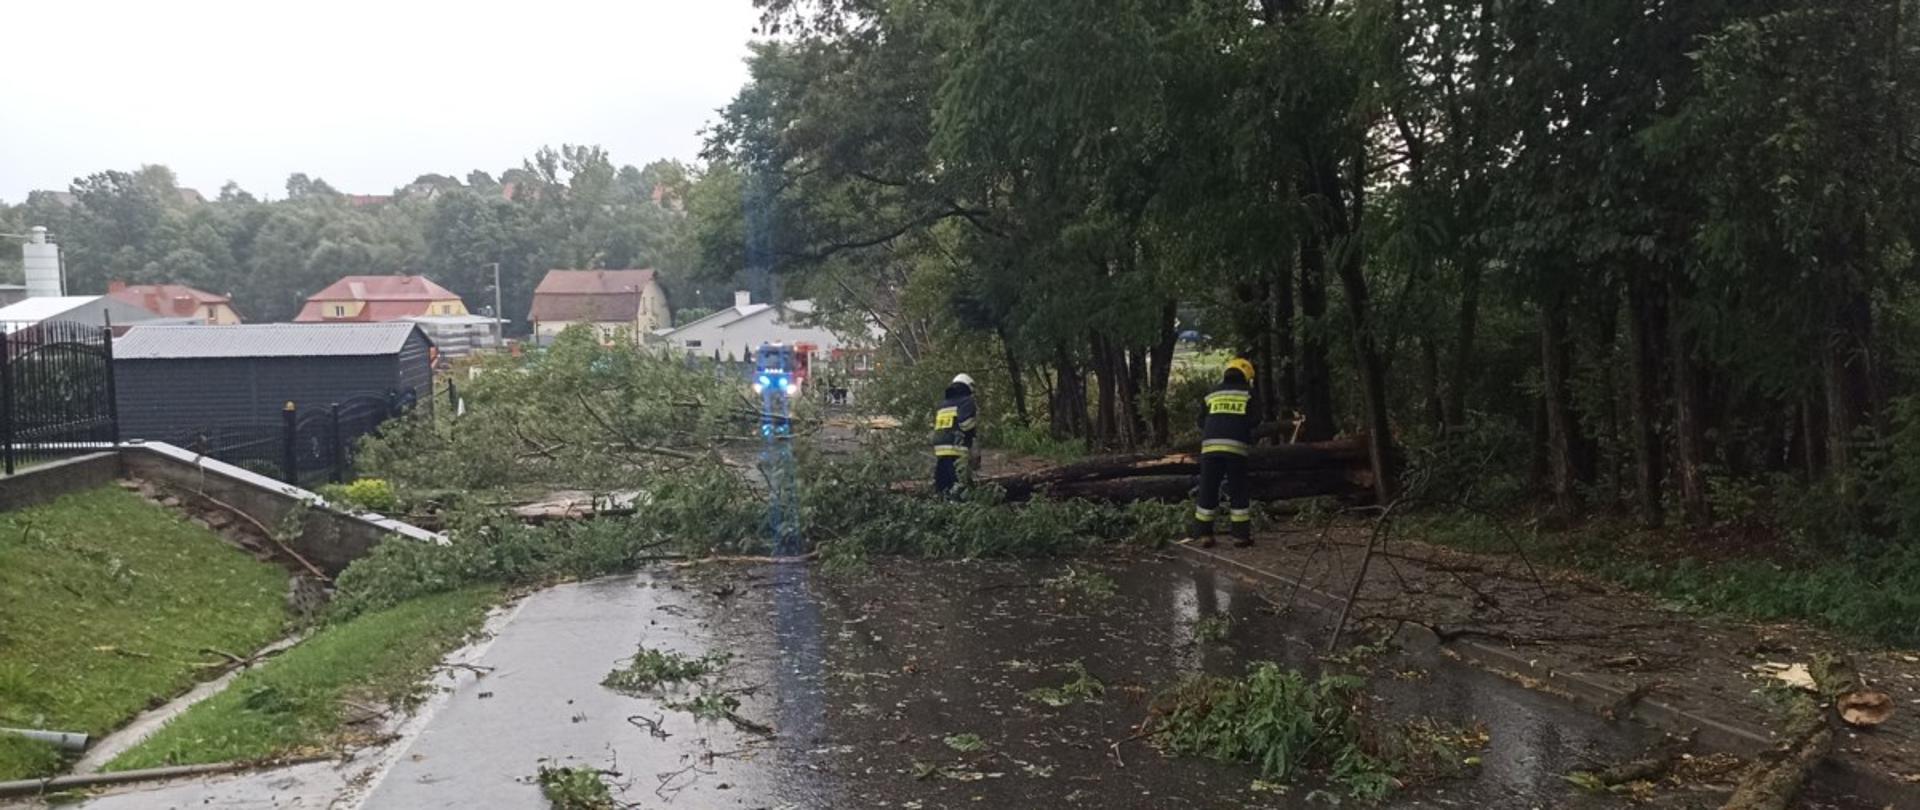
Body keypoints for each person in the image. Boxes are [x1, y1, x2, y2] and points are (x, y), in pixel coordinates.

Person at [1190, 357, 1256, 548]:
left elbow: (1201, 422)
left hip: (1210, 449)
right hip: (1236, 449)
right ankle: (1240, 537)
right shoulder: (1248, 393)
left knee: (1208, 489)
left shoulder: (1212, 393)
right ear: (1246, 376)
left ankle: (1204, 535)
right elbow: (1255, 420)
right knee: (1238, 490)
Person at [932, 373, 980, 495]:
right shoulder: (967, 401)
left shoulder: (943, 404)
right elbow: (966, 424)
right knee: (961, 487)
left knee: (943, 488)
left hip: (940, 451)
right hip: (957, 449)